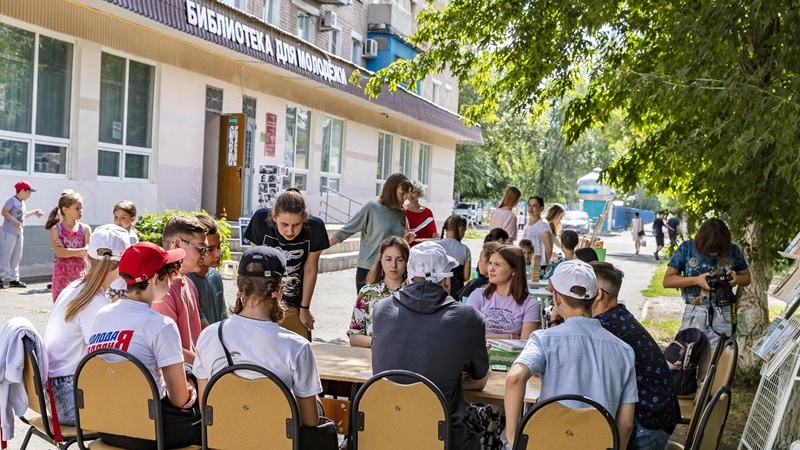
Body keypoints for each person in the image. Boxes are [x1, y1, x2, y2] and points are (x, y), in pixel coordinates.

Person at [504, 260, 637, 450]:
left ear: (556, 298)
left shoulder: (544, 339)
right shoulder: (624, 350)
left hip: (548, 444)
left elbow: (515, 378)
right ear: (595, 297)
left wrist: (512, 437)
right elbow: (626, 424)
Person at [372, 241, 489, 450]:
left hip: (386, 430)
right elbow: (479, 381)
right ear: (446, 278)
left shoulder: (381, 309)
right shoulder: (469, 318)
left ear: (408, 275)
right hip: (442, 435)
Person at [193, 246, 323, 429]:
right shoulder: (297, 346)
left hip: (223, 440)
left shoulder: (208, 335)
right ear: (279, 289)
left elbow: (205, 407)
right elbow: (310, 421)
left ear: (240, 286)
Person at [88, 241, 200, 449]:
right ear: (156, 279)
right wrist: (191, 382)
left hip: (107, 425)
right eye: (170, 275)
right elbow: (179, 400)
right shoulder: (161, 325)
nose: (173, 280)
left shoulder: (102, 315)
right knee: (213, 419)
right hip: (147, 431)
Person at [44, 224, 132, 425]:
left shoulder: (76, 289)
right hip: (69, 398)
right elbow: (109, 357)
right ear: (122, 264)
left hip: (58, 391)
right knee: (140, 411)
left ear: (87, 256)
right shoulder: (96, 302)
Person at [591, 262, 680, 450]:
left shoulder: (606, 328)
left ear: (597, 294)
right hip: (657, 417)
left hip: (647, 425)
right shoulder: (617, 317)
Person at [244, 189, 329, 339]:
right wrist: (251, 303)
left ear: (305, 218)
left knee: (299, 344)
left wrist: (305, 308)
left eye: (296, 225)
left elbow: (310, 269)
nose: (290, 231)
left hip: (294, 300)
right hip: (262, 297)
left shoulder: (315, 228)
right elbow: (254, 266)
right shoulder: (260, 220)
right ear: (274, 216)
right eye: (284, 224)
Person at [663, 218, 751, 348]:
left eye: (718, 249)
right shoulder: (687, 248)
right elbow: (667, 280)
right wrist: (696, 280)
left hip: (724, 313)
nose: (714, 252)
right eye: (710, 249)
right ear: (701, 240)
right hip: (694, 312)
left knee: (720, 361)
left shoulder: (733, 250)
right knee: (687, 361)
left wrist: (736, 279)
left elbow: (747, 278)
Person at [329, 173, 413, 292]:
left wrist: (406, 240)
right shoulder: (372, 207)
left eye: (407, 194)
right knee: (367, 309)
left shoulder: (401, 213)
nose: (405, 197)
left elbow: (396, 241)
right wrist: (321, 247)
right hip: (369, 270)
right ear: (391, 191)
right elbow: (346, 230)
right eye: (402, 193)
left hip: (392, 272)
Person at [154, 215, 208, 363]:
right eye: (201, 249)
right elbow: (169, 349)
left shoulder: (189, 283)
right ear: (177, 244)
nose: (205, 254)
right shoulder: (163, 290)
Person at [346, 236, 409, 348]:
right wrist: (380, 343)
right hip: (373, 358)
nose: (393, 265)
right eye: (388, 259)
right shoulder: (367, 293)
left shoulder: (414, 292)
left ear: (407, 262)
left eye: (399, 260)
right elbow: (354, 337)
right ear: (381, 260)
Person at [467, 245, 540, 340]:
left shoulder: (530, 304)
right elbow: (468, 334)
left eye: (497, 264)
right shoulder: (478, 295)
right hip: (479, 354)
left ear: (514, 270)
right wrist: (511, 337)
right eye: (490, 263)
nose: (491, 269)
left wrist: (483, 337)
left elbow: (525, 344)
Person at [45, 192, 91, 302]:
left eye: (81, 208)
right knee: (61, 305)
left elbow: (89, 251)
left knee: (79, 305)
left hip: (80, 274)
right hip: (62, 275)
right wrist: (80, 251)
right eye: (77, 208)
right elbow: (60, 253)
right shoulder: (56, 229)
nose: (81, 211)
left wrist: (67, 250)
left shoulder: (85, 229)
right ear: (65, 210)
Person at [0, 181, 44, 288]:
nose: (30, 195)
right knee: (6, 255)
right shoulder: (11, 200)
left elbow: (22, 216)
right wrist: (14, 221)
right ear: (22, 191)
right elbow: (4, 212)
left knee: (16, 256)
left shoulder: (22, 202)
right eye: (29, 192)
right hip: (9, 232)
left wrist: (34, 212)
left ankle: (14, 279)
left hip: (19, 233)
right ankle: (1, 277)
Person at [186, 214, 227, 326]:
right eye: (210, 249)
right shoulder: (186, 282)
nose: (218, 254)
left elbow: (223, 316)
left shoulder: (215, 277)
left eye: (219, 246)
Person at [108, 200, 140, 300]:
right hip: (114, 282)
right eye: (116, 217)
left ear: (132, 218)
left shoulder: (132, 238)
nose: (118, 221)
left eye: (123, 218)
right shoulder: (113, 235)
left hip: (125, 283)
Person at [439, 214, 471, 298]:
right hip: (455, 294)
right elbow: (466, 276)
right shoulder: (465, 249)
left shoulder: (435, 246)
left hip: (437, 291)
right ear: (461, 230)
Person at [405, 180, 438, 247]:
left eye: (413, 192)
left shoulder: (427, 212)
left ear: (419, 193)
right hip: (409, 249)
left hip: (425, 249)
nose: (410, 196)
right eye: (408, 192)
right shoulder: (403, 211)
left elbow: (433, 234)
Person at [522, 196, 551, 270]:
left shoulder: (543, 224)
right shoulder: (527, 226)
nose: (531, 208)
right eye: (529, 205)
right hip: (527, 264)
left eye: (534, 206)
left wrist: (546, 266)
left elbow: (548, 248)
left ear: (541, 208)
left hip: (539, 266)